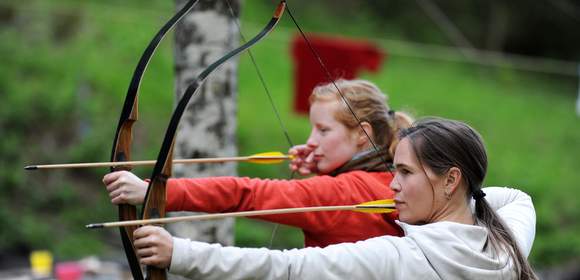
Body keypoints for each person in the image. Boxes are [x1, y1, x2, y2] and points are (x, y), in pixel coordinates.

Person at [129, 117, 538, 280]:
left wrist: (178, 253)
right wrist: (463, 206)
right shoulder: (507, 245)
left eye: (405, 173)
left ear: (451, 179)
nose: (391, 186)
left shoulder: (399, 258)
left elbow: (284, 267)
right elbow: (516, 197)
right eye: (392, 170)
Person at [104, 79, 414, 248]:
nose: (311, 140)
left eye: (323, 130)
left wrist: (154, 192)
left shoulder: (348, 192)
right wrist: (326, 169)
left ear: (363, 135)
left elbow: (248, 194)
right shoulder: (391, 181)